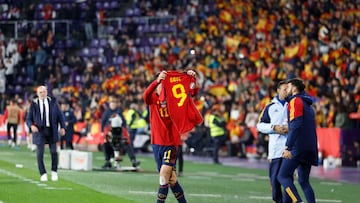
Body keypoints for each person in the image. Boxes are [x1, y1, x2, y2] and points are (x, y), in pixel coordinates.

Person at [143, 70, 202, 203]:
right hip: (156, 143)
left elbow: (191, 93)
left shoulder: (173, 99)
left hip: (171, 143)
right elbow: (145, 96)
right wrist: (157, 80)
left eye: (164, 84)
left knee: (164, 176)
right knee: (172, 180)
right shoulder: (153, 99)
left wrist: (193, 80)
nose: (162, 86)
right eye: (161, 83)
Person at [277, 78, 318, 203]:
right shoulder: (308, 105)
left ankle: (297, 201)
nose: (286, 90)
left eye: (288, 87)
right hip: (310, 147)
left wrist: (288, 146)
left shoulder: (295, 101)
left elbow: (296, 125)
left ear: (294, 89)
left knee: (282, 176)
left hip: (298, 147)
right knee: (303, 181)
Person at [257, 80, 290, 203]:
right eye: (284, 89)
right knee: (274, 180)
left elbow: (300, 124)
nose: (287, 91)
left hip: (288, 149)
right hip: (275, 149)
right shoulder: (270, 107)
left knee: (287, 179)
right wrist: (273, 128)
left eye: (288, 89)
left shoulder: (293, 106)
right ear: (278, 90)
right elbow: (260, 126)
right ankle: (277, 200)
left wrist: (289, 129)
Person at [25, 85, 66, 182]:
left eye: (44, 91)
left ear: (47, 92)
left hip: (51, 130)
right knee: (40, 153)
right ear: (37, 94)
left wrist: (63, 127)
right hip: (40, 131)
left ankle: (54, 171)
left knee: (53, 152)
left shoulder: (53, 102)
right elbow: (28, 118)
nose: (42, 94)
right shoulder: (34, 104)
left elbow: (60, 116)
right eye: (40, 92)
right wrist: (31, 126)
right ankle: (43, 173)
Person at [100, 97, 140, 169]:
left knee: (127, 144)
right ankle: (107, 161)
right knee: (105, 144)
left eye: (114, 103)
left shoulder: (119, 112)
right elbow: (103, 122)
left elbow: (123, 123)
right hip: (109, 133)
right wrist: (103, 132)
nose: (113, 105)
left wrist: (124, 132)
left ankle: (133, 160)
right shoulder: (106, 113)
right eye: (112, 103)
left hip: (119, 133)